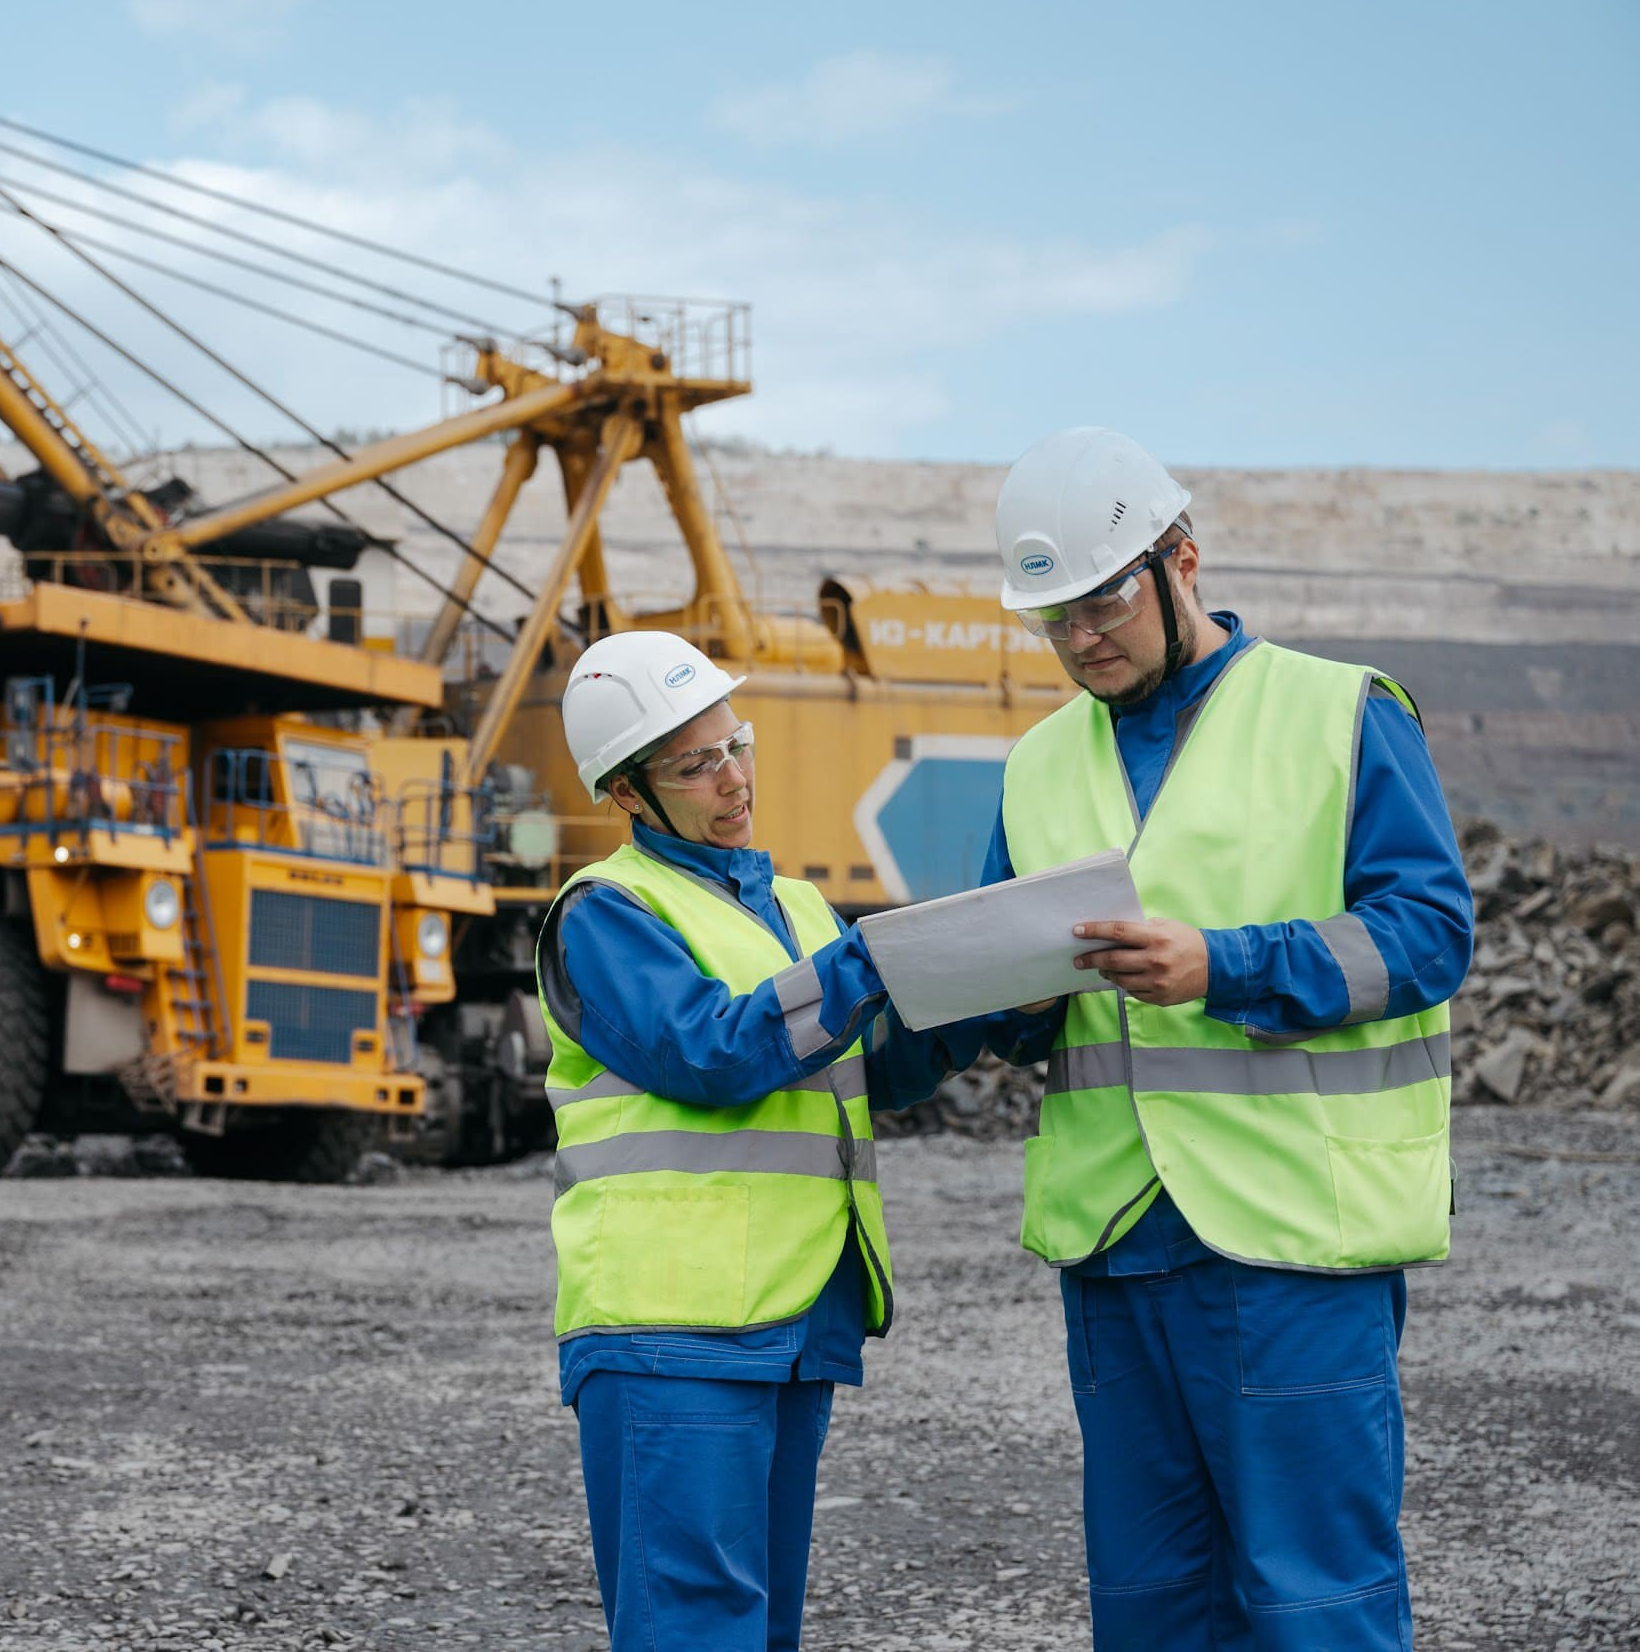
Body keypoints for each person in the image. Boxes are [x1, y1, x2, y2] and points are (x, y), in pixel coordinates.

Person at [976, 427, 1475, 1650]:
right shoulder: (1036, 763)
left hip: (1291, 1237)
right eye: (1053, 622)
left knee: (1314, 1602)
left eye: (1100, 605)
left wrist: (1226, 964)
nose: (1080, 641)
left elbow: (1424, 934)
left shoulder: (1340, 711)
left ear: (1179, 560)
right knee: (1149, 1611)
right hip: (1115, 1240)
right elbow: (1003, 971)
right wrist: (1004, 1001)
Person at [537, 629, 984, 1651]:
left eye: (736, 745)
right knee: (694, 1628)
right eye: (696, 764)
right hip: (670, 1327)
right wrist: (869, 960)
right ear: (625, 791)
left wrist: (982, 998)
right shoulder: (605, 913)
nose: (732, 778)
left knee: (757, 1629)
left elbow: (862, 1066)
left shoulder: (794, 905)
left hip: (788, 1313)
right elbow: (707, 1051)